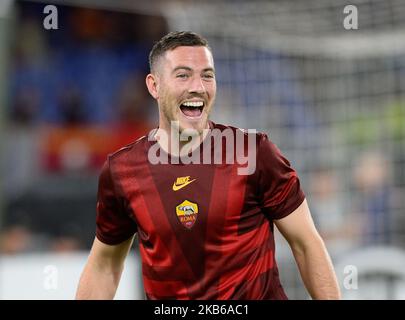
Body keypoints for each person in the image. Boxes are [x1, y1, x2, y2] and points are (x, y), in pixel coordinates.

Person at [76, 31, 340, 300]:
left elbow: (306, 244)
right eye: (183, 75)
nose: (198, 87)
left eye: (207, 75)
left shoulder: (254, 153)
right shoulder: (122, 171)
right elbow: (104, 265)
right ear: (154, 86)